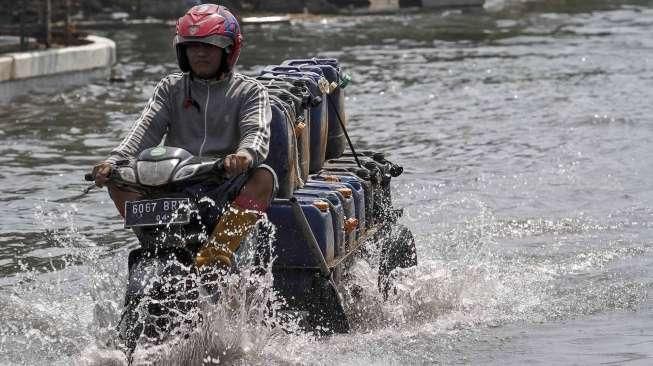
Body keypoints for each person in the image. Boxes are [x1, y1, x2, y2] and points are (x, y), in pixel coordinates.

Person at [92, 4, 275, 270]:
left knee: (264, 176)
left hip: (223, 183)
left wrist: (243, 156)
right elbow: (143, 131)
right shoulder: (170, 88)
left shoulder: (250, 91)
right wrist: (112, 162)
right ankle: (156, 243)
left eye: (209, 45)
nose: (200, 53)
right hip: (172, 183)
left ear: (228, 50)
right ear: (182, 51)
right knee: (117, 180)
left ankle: (216, 254)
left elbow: (255, 134)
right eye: (193, 46)